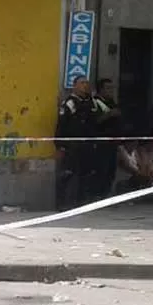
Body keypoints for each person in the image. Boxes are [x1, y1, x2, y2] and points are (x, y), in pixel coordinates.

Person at [54, 75, 101, 210]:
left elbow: (95, 120)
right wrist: (60, 145)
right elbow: (61, 125)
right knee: (68, 173)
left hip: (87, 144)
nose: (85, 85)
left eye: (86, 83)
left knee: (86, 173)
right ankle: (62, 203)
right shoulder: (69, 103)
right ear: (74, 86)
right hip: (72, 145)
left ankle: (82, 201)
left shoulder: (92, 102)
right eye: (82, 83)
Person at [91, 77, 122, 199]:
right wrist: (109, 115)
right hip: (101, 143)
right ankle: (97, 196)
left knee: (110, 171)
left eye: (112, 88)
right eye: (108, 88)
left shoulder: (112, 102)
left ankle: (106, 195)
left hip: (113, 142)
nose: (111, 91)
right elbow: (94, 121)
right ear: (101, 90)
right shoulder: (95, 102)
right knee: (101, 171)